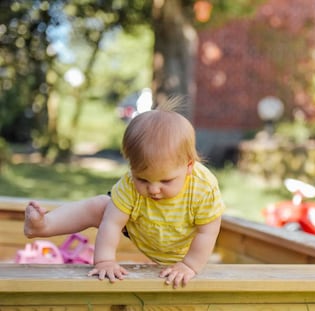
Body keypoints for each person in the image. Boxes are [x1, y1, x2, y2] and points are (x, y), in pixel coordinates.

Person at [24, 98, 225, 288]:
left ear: (189, 166)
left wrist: (189, 265)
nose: (153, 189)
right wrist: (104, 261)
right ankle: (44, 225)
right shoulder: (129, 184)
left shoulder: (203, 188)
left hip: (182, 244)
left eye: (166, 181)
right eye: (143, 179)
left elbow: (207, 231)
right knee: (101, 206)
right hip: (142, 226)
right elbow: (111, 223)